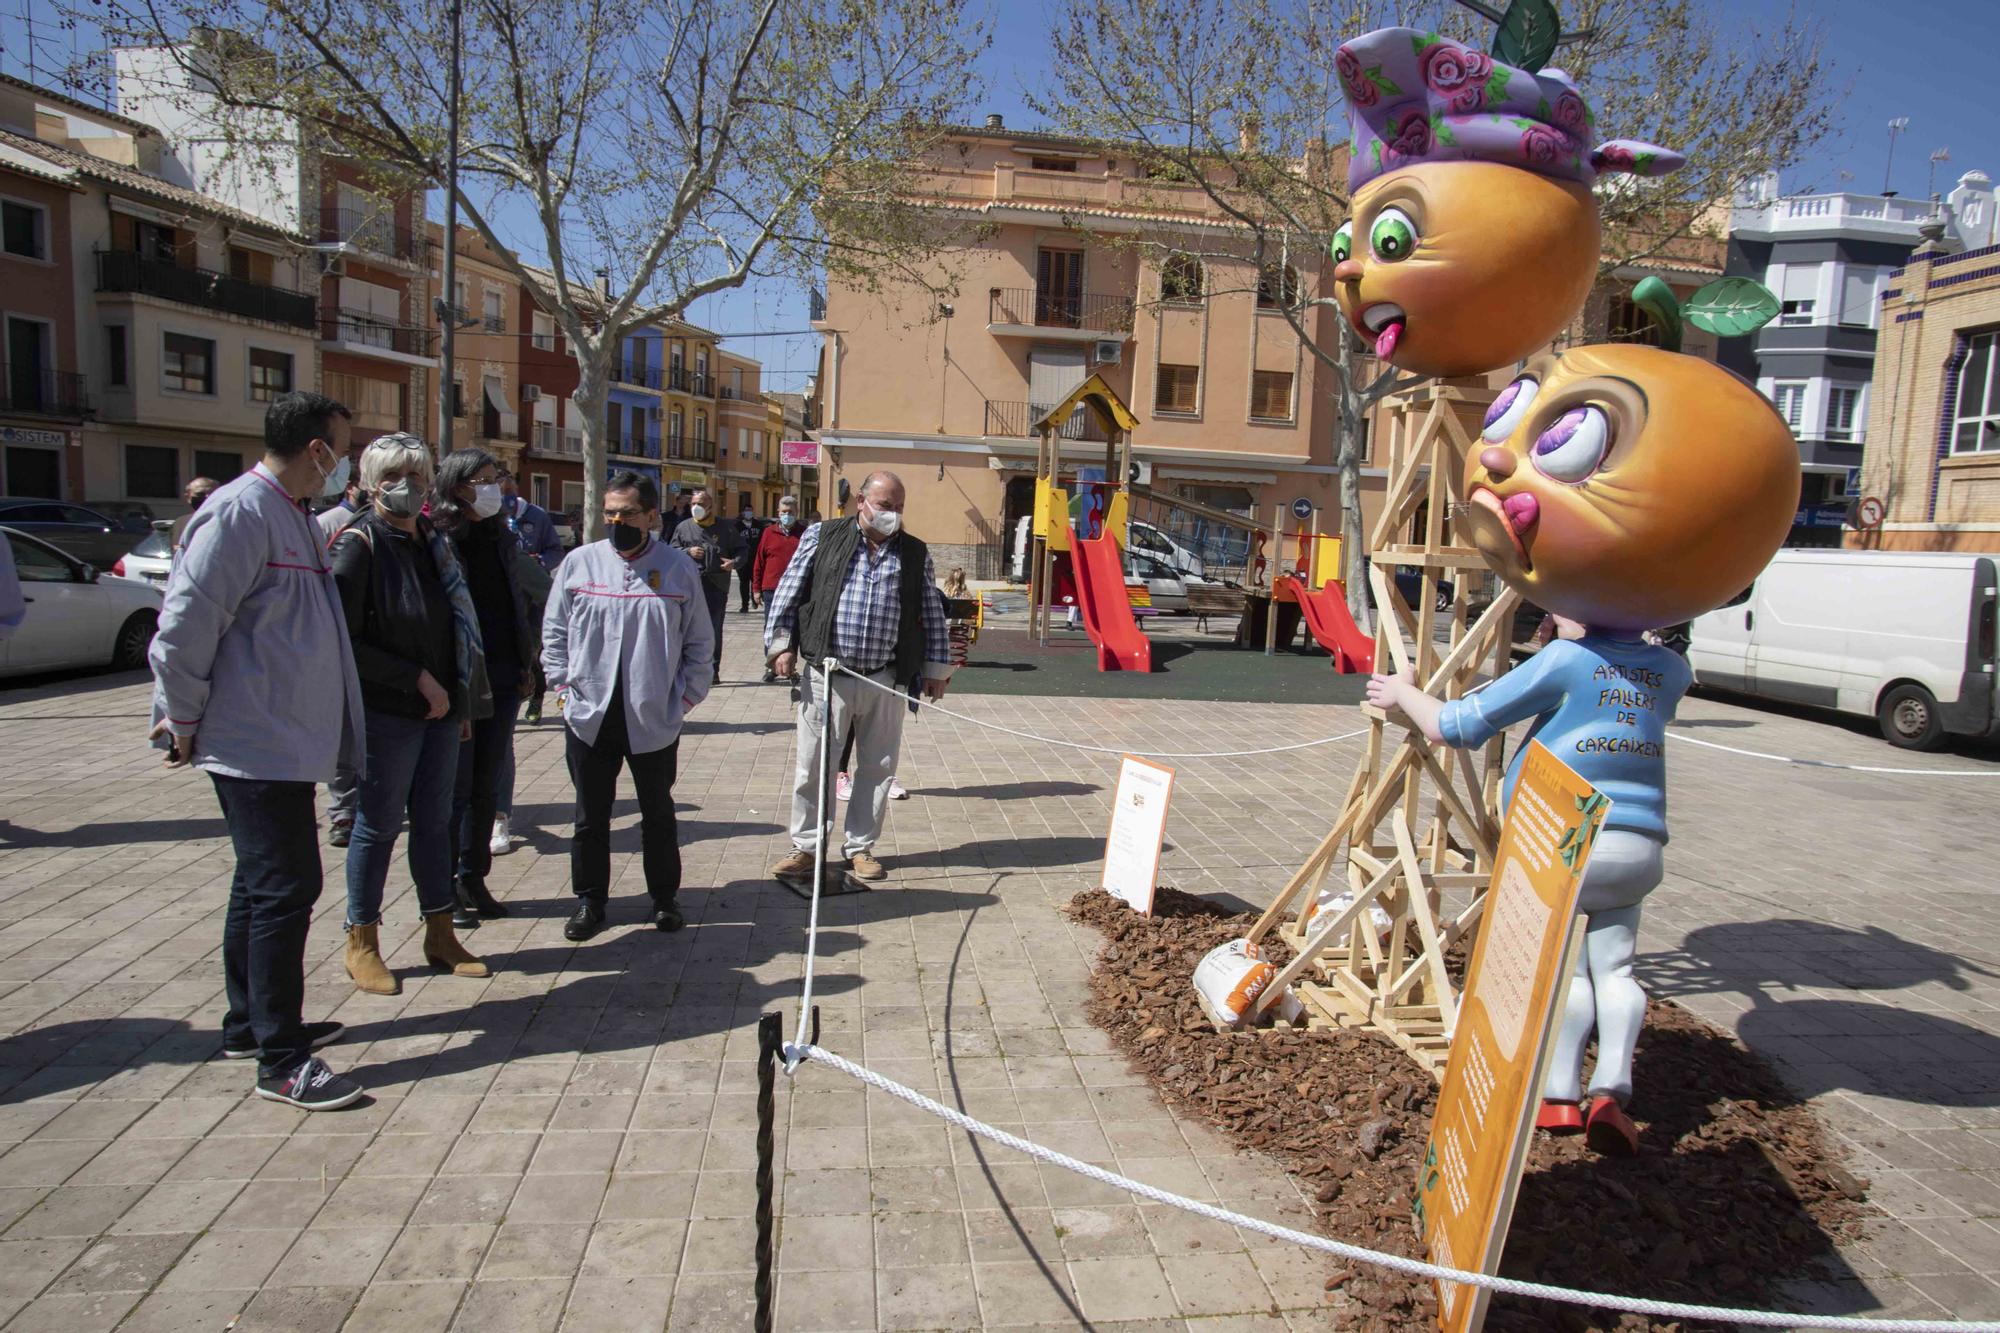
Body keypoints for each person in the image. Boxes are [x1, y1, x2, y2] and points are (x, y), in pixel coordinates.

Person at [146, 391, 368, 1111]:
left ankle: (249, 1022)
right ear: (317, 451)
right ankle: (281, 1056)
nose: (347, 460)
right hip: (252, 741)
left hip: (283, 739)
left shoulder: (292, 514)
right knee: (287, 888)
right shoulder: (242, 511)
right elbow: (185, 622)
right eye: (343, 445)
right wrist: (178, 716)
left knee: (258, 883)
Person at [328, 434, 490, 997]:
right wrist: (414, 679)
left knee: (434, 822)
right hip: (387, 712)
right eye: (397, 475)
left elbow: (452, 627)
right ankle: (362, 941)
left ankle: (440, 932)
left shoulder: (431, 542)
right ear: (372, 482)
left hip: (442, 712)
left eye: (419, 476)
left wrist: (458, 700)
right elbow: (343, 640)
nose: (410, 486)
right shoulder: (357, 545)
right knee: (375, 828)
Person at [544, 471, 715, 940]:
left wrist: (684, 698)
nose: (618, 521)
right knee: (590, 816)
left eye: (628, 513)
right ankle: (590, 901)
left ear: (652, 516)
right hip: (589, 715)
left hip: (652, 716)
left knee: (657, 814)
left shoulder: (677, 569)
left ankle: (664, 899)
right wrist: (562, 689)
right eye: (611, 513)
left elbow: (700, 641)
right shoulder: (579, 564)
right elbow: (554, 633)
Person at [764, 471, 952, 885]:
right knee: (815, 766)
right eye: (886, 506)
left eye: (900, 508)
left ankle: (860, 847)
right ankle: (807, 847)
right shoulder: (822, 537)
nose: (893, 515)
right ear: (862, 503)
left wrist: (937, 670)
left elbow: (932, 613)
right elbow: (789, 593)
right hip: (826, 673)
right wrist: (781, 646)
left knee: (878, 766)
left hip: (885, 676)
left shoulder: (915, 553)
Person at [434, 449, 543, 927]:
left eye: (495, 478)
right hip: (462, 682)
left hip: (502, 675)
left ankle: (474, 876)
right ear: (458, 487)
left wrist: (525, 662)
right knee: (455, 791)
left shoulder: (500, 536)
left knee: (486, 786)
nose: (494, 487)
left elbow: (514, 603)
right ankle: (446, 888)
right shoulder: (438, 540)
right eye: (483, 480)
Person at [670, 487, 743, 684]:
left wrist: (733, 563)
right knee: (685, 627)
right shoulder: (683, 527)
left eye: (700, 504)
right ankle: (686, 668)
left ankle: (713, 671)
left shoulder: (725, 527)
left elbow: (742, 549)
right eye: (693, 504)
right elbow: (671, 550)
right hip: (690, 585)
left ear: (710, 506)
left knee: (713, 629)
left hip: (716, 585)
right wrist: (687, 551)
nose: (696, 508)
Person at [753, 497, 804, 682]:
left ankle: (790, 667)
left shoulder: (804, 534)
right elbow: (759, 561)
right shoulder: (768, 533)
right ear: (778, 512)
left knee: (794, 629)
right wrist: (756, 588)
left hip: (796, 590)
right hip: (771, 589)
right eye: (783, 512)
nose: (786, 515)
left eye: (790, 512)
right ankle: (771, 667)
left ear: (796, 513)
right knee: (772, 628)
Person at [169, 476, 220, 559]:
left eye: (212, 494)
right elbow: (177, 549)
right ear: (188, 497)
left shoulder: (229, 520)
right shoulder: (181, 522)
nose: (207, 497)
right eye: (200, 494)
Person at [316, 473, 368, 543]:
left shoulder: (377, 518)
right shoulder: (325, 523)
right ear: (350, 488)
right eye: (364, 486)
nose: (369, 490)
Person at [733, 503, 763, 611]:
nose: (748, 512)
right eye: (746, 510)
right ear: (742, 512)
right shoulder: (737, 526)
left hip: (755, 558)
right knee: (744, 582)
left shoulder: (758, 525)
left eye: (750, 510)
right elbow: (733, 542)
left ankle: (755, 601)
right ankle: (744, 605)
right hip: (742, 558)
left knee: (755, 580)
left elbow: (762, 541)